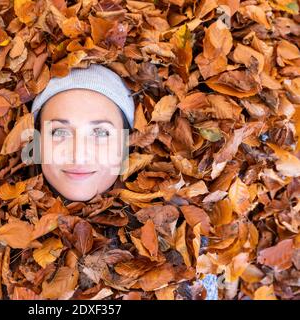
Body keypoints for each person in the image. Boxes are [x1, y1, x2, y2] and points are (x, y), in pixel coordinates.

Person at [27, 63, 219, 300]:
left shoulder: (184, 244)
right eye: (59, 132)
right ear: (36, 143)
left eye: (100, 133)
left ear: (125, 144)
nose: (78, 153)